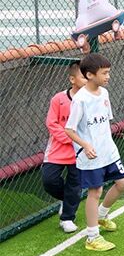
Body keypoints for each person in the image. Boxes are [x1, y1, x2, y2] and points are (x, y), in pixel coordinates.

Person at [63, 53, 124, 252]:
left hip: (108, 152)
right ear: (90, 75)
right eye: (104, 73)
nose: (108, 76)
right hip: (90, 156)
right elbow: (69, 129)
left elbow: (105, 121)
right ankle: (92, 237)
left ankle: (101, 215)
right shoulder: (80, 100)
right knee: (95, 192)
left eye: (108, 72)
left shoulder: (104, 93)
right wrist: (85, 145)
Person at [41, 61, 85, 233]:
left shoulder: (90, 99)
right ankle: (67, 200)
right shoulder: (58, 99)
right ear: (72, 79)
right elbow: (51, 123)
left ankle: (67, 218)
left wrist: (81, 142)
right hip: (57, 150)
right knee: (49, 181)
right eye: (83, 76)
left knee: (75, 184)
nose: (87, 79)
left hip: (79, 151)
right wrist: (69, 138)